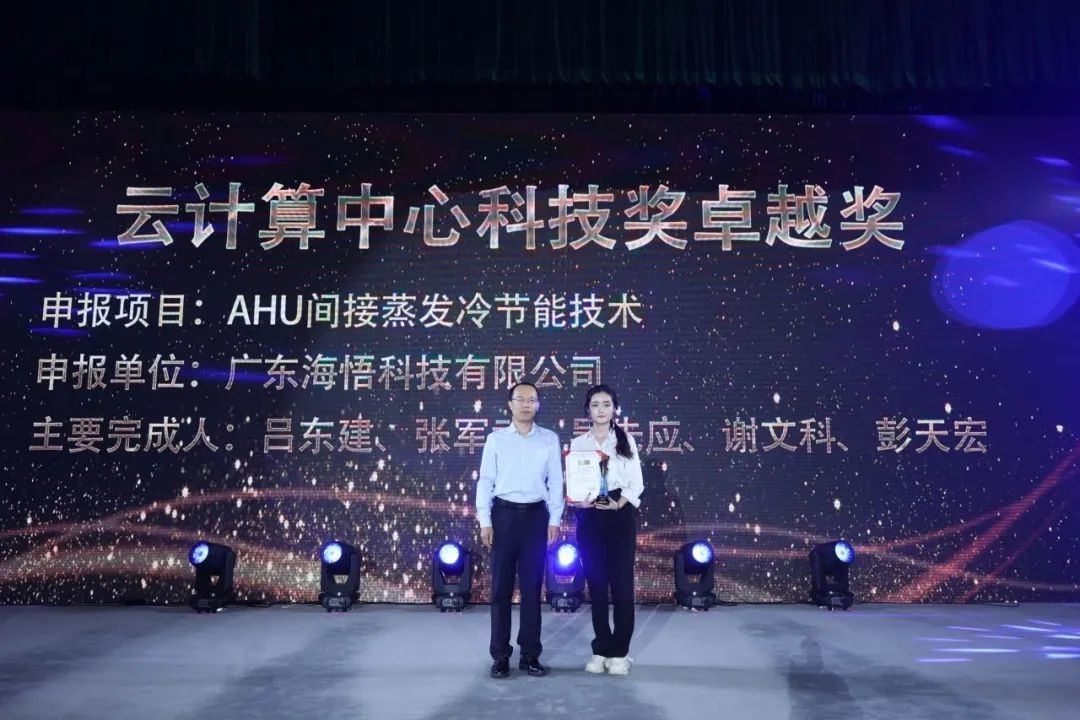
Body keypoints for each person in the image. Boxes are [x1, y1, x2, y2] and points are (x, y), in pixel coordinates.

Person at [476, 381, 564, 678]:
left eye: (532, 400)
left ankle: (530, 654)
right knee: (500, 590)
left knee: (531, 589)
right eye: (521, 399)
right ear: (510, 404)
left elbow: (556, 482)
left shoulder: (549, 439)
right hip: (503, 517)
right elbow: (486, 481)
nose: (526, 404)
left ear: (538, 405)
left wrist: (554, 519)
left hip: (536, 518)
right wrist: (485, 521)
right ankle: (500, 655)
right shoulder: (496, 439)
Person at [570, 384, 644, 675]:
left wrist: (619, 503)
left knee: (622, 585)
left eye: (606, 404)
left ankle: (620, 652)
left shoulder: (626, 441)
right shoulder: (578, 444)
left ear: (615, 409)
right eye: (595, 405)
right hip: (589, 515)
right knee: (597, 584)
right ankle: (601, 648)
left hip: (619, 513)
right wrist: (578, 500)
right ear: (587, 410)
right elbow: (573, 482)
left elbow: (636, 482)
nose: (601, 410)